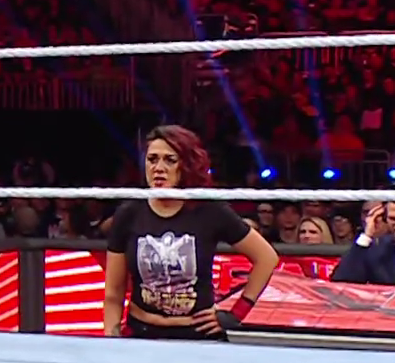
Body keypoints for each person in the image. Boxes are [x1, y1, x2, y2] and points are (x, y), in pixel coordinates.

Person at [102, 125, 280, 340]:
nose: (158, 168)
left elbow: (266, 257)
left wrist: (236, 313)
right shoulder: (129, 213)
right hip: (143, 331)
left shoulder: (210, 210)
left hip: (197, 334)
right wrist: (111, 338)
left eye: (170, 160)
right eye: (152, 159)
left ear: (186, 165)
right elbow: (114, 292)